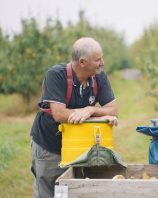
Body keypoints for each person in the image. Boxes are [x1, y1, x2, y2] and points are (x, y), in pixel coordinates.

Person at [30, 37, 118, 198]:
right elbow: (59, 114)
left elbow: (113, 111)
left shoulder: (99, 77)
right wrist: (100, 115)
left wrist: (90, 110)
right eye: (98, 60)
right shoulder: (56, 75)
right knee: (49, 192)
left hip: (81, 147)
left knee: (75, 191)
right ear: (82, 62)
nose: (102, 63)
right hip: (51, 146)